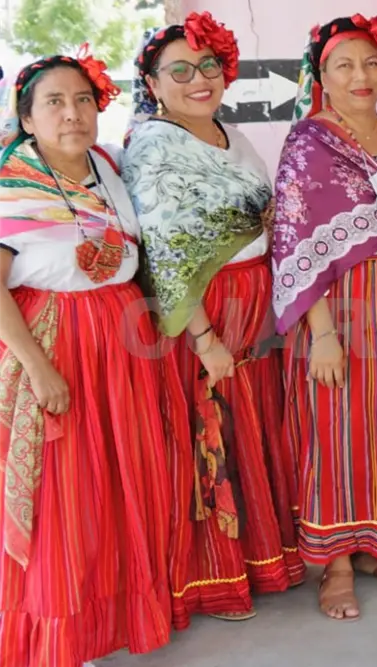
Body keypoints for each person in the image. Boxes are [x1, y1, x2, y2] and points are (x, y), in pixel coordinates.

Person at [122, 11, 304, 626]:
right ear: (151, 82)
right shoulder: (153, 150)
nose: (197, 79)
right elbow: (165, 254)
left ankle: (261, 559)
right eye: (179, 70)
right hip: (204, 311)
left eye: (207, 66)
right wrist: (203, 339)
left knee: (253, 424)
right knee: (211, 427)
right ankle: (212, 576)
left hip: (252, 299)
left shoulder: (231, 134)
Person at [0, 50, 179, 666]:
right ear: (26, 118)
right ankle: (59, 633)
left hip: (120, 341)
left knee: (118, 482)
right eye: (54, 102)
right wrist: (38, 367)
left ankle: (113, 616)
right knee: (64, 491)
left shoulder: (108, 169)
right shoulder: (11, 184)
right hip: (54, 341)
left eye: (83, 100)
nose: (72, 113)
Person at [272, 14, 377, 620]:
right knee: (336, 422)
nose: (360, 75)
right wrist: (322, 334)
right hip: (338, 301)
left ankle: (376, 542)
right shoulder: (309, 141)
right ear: (321, 75)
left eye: (370, 62)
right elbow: (295, 240)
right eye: (344, 65)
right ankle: (335, 564)